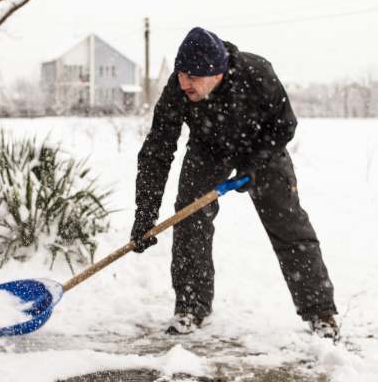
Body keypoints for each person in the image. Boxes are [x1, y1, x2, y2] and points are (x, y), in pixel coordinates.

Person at [130, 27, 338, 338]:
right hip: (208, 150)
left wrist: (254, 163)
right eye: (180, 73)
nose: (184, 81)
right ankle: (191, 305)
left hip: (262, 148)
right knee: (189, 218)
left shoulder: (257, 74)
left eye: (192, 75)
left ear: (216, 72)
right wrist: (145, 214)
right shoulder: (177, 90)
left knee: (289, 226)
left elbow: (285, 126)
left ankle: (321, 312)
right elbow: (157, 151)